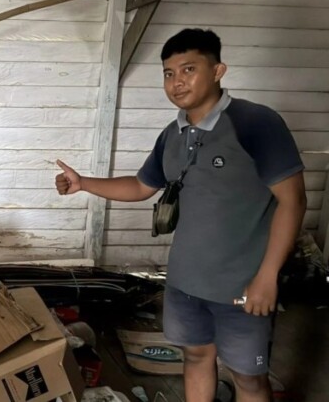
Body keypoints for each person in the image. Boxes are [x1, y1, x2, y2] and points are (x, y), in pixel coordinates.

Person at [55, 28, 306, 402]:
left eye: (189, 69)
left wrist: (267, 277)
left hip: (243, 286)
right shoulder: (172, 134)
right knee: (195, 358)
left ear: (218, 70)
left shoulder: (255, 123)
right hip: (186, 283)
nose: (177, 82)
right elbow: (141, 186)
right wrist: (83, 184)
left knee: (249, 378)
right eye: (169, 73)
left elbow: (293, 201)